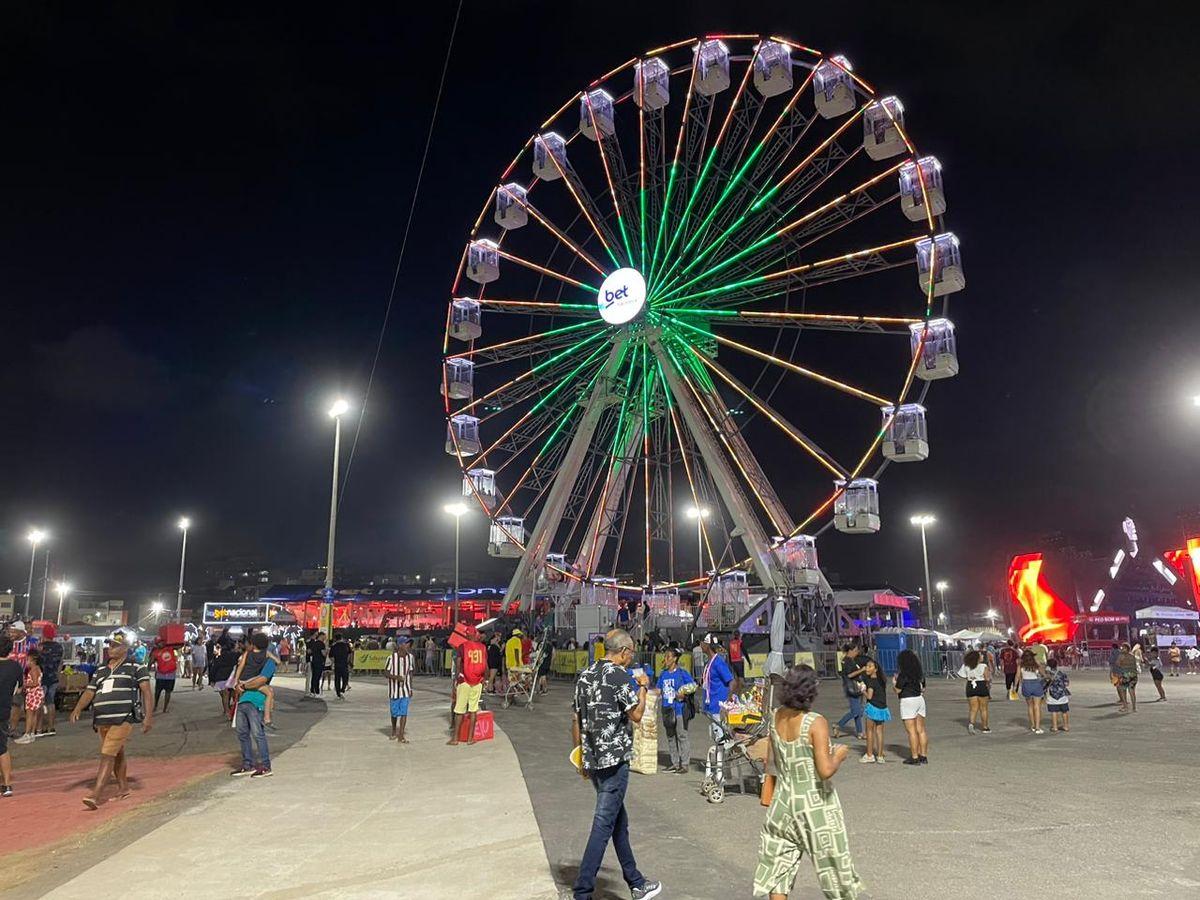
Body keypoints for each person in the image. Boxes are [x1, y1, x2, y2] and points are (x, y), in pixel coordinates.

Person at [753, 665, 862, 900]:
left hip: (783, 802)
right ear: (810, 690)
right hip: (814, 804)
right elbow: (825, 770)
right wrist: (839, 755)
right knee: (834, 869)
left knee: (779, 868)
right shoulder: (815, 722)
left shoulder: (776, 716)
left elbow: (770, 762)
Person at [570, 629, 661, 900]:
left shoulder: (585, 675)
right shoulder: (620, 676)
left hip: (594, 759)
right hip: (614, 761)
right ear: (623, 652)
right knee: (603, 823)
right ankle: (582, 890)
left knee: (618, 821)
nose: (631, 658)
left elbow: (576, 718)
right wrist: (643, 686)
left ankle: (636, 881)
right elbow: (636, 714)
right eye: (631, 653)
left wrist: (580, 756)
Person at [69, 630, 154, 809]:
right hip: (102, 719)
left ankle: (96, 794)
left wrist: (148, 717)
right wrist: (77, 708)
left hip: (123, 717)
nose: (110, 648)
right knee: (117, 753)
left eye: (115, 645)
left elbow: (146, 692)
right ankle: (123, 788)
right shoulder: (101, 669)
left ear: (125, 648)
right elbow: (90, 691)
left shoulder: (136, 666)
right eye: (109, 645)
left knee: (107, 755)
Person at [230, 633, 275, 777]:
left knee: (257, 734)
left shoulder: (268, 662)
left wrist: (242, 685)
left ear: (253, 644)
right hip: (243, 700)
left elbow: (262, 680)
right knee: (242, 734)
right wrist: (239, 685)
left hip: (256, 701)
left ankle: (266, 766)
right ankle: (247, 764)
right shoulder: (248, 656)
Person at [655, 647, 696, 774]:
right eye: (665, 656)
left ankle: (684, 764)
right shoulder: (663, 674)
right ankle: (674, 763)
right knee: (671, 737)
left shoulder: (682, 673)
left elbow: (693, 686)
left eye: (668, 656)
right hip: (667, 710)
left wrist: (684, 694)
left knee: (682, 736)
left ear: (675, 658)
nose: (665, 659)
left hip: (679, 709)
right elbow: (658, 690)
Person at [449, 627, 488, 746]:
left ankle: (455, 739)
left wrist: (456, 679)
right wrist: (484, 680)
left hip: (465, 681)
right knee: (473, 710)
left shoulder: (463, 646)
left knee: (459, 710)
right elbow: (486, 666)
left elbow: (459, 663)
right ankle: (470, 738)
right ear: (475, 634)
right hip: (477, 682)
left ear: (466, 635)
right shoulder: (482, 647)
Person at [894, 649, 928, 765]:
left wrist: (894, 683)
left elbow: (898, 690)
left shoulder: (903, 675)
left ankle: (914, 757)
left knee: (911, 731)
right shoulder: (919, 674)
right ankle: (923, 755)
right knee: (921, 730)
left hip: (908, 700)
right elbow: (923, 688)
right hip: (920, 699)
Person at [0, 636, 21, 796]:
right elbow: (19, 688)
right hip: (4, 710)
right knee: (2, 747)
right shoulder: (15, 667)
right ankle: (7, 784)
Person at [832, 645, 867, 741]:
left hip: (857, 687)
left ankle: (860, 732)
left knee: (858, 711)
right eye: (855, 650)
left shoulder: (852, 660)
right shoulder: (847, 661)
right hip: (852, 688)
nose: (857, 652)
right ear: (850, 651)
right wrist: (861, 670)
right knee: (856, 711)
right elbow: (849, 675)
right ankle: (838, 725)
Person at [860, 659, 889, 764]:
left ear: (875, 669)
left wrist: (863, 690)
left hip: (872, 707)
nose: (867, 668)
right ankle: (880, 756)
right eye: (867, 666)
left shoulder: (871, 682)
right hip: (882, 707)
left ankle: (869, 755)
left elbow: (870, 696)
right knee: (880, 732)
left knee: (869, 731)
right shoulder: (882, 680)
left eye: (870, 666)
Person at [385, 636, 414, 742]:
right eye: (406, 643)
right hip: (394, 690)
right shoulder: (391, 658)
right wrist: (396, 677)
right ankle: (394, 730)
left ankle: (401, 735)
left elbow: (410, 673)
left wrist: (410, 688)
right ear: (400, 645)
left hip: (405, 690)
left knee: (404, 712)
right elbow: (386, 672)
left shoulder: (410, 657)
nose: (408, 645)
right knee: (394, 713)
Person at [13, 649, 44, 745]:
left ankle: (27, 734)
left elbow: (34, 683)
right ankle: (31, 733)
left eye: (27, 660)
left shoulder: (33, 670)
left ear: (33, 660)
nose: (26, 662)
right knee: (34, 714)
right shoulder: (38, 668)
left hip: (33, 694)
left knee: (29, 715)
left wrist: (24, 685)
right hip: (37, 693)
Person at [957, 649, 992, 734]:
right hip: (981, 685)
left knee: (973, 708)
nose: (982, 656)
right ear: (977, 658)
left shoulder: (966, 666)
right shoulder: (983, 666)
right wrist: (988, 684)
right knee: (983, 708)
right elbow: (987, 678)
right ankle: (985, 727)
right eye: (981, 655)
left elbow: (961, 675)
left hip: (970, 685)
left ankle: (971, 724)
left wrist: (970, 677)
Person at [37, 623, 63, 737]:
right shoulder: (59, 647)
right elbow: (61, 663)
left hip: (42, 678)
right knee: (51, 702)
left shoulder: (40, 647)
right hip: (54, 678)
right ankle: (51, 727)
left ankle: (39, 727)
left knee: (40, 703)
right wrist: (58, 676)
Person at [1018, 648, 1048, 733]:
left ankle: (1032, 725)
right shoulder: (1036, 664)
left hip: (1026, 684)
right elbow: (1043, 674)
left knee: (1030, 706)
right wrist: (1047, 677)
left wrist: (1015, 687)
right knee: (1037, 707)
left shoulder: (1021, 665)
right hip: (1036, 684)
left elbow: (1017, 676)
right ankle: (1038, 727)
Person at [151, 640, 178, 714]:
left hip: (171, 675)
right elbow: (151, 661)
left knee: (168, 692)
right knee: (157, 692)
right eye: (159, 643)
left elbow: (179, 646)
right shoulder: (156, 652)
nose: (161, 643)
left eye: (162, 642)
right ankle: (155, 706)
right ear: (156, 644)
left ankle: (165, 708)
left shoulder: (170, 648)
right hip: (161, 675)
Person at [1045, 658, 1071, 732]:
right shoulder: (1061, 673)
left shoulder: (1048, 674)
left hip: (1052, 695)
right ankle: (1066, 726)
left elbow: (1045, 684)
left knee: (1054, 711)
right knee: (1064, 711)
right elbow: (1067, 683)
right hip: (1062, 695)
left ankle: (1055, 727)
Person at [1116, 643, 1138, 713]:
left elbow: (1118, 664)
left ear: (1126, 648)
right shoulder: (1132, 656)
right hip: (1133, 675)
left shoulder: (1121, 656)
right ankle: (1134, 708)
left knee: (1123, 690)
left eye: (1123, 648)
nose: (1121, 649)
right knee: (1132, 691)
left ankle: (1125, 706)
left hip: (1125, 675)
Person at [329, 633, 352, 700]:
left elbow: (330, 656)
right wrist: (347, 661)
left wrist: (334, 662)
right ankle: (342, 690)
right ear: (341, 638)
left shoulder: (334, 646)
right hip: (344, 664)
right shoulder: (346, 645)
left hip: (337, 664)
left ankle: (338, 693)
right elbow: (350, 654)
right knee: (345, 678)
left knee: (337, 679)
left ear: (335, 639)